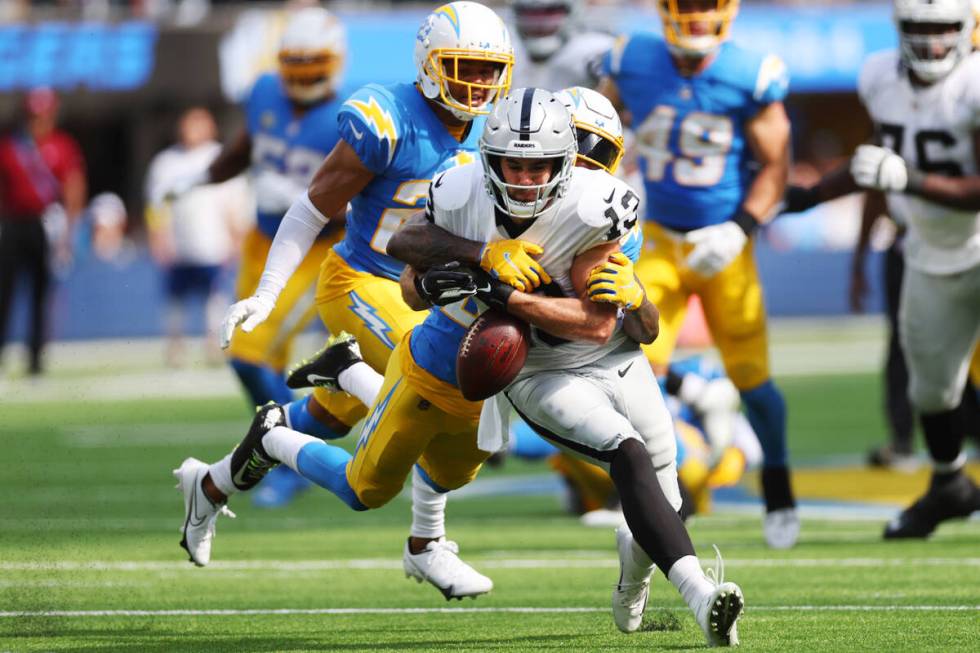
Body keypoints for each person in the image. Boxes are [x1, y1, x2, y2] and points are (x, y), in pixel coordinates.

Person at [178, 1, 516, 597]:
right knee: (444, 392)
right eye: (465, 66)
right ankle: (426, 544)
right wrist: (266, 292)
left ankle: (210, 484)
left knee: (324, 423)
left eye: (490, 70)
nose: (479, 83)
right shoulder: (387, 119)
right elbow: (311, 208)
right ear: (430, 63)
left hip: (433, 296)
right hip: (362, 281)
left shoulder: (499, 127)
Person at [597, 0, 799, 549]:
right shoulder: (631, 59)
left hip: (722, 243)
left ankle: (777, 483)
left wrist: (739, 227)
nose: (694, 17)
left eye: (705, 6)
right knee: (632, 367)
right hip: (658, 236)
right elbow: (595, 138)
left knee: (753, 378)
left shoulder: (749, 73)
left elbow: (777, 166)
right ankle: (661, 492)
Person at [783, 0, 980, 539]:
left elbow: (905, 172)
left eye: (943, 29)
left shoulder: (974, 85)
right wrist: (810, 195)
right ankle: (950, 486)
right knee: (931, 392)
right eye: (920, 28)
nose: (932, 42)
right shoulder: (879, 78)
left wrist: (908, 180)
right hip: (929, 251)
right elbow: (880, 157)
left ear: (967, 30)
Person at [162, 6, 348, 505]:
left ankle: (290, 457)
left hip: (315, 249)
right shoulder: (265, 90)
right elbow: (247, 148)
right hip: (261, 240)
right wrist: (201, 177)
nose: (303, 73)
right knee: (251, 356)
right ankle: (285, 450)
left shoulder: (349, 117)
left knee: (249, 354)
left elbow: (357, 200)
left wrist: (304, 201)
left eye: (313, 63)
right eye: (296, 62)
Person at [145, 107, 251, 367]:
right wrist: (158, 238)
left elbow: (234, 201)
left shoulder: (221, 157)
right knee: (175, 299)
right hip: (179, 244)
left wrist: (237, 237)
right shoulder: (166, 162)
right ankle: (175, 347)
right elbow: (156, 205)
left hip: (213, 243)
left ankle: (215, 345)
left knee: (215, 297)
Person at [0, 88, 86, 376]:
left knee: (41, 294)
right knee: (5, 292)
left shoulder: (62, 146)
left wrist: (69, 232)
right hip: (11, 224)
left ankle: (36, 358)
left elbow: (73, 186)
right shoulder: (10, 146)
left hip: (46, 224)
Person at [508, 0, 615, 90]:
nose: (540, 25)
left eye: (550, 14)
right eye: (530, 16)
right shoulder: (507, 47)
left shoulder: (594, 49)